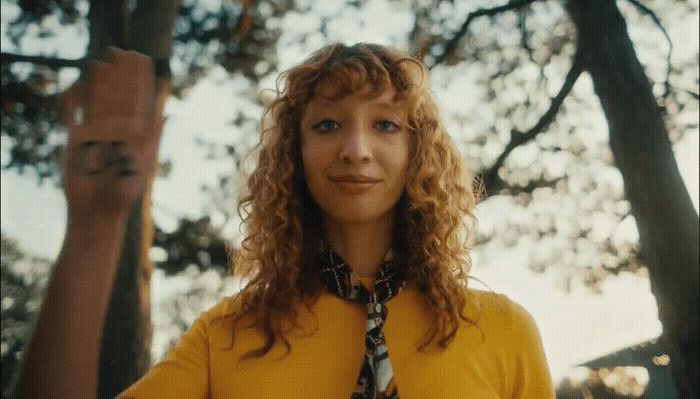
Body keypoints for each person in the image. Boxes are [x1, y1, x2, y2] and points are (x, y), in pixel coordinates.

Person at [11, 44, 555, 399]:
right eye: (326, 125)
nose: (356, 149)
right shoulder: (226, 336)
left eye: (386, 124)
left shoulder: (503, 332)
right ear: (293, 155)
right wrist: (95, 226)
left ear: (419, 152)